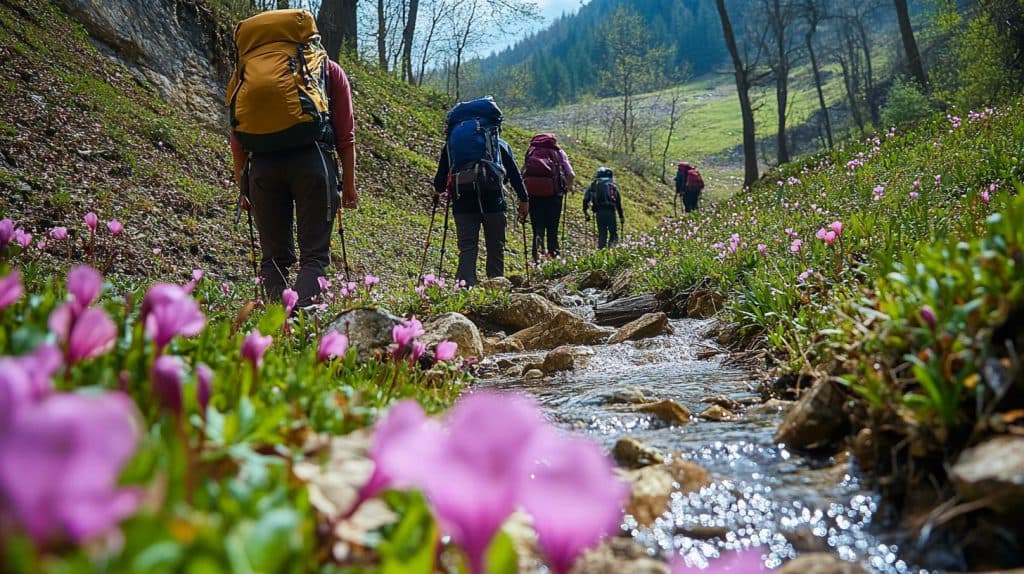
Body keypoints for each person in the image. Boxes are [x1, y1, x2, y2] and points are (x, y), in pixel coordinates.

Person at [228, 9, 357, 307]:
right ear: (309, 36)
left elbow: (237, 142)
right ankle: (300, 322)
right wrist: (348, 185)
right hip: (312, 161)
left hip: (261, 166)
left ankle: (276, 327)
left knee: (273, 258)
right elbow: (346, 136)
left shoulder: (244, 74)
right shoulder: (326, 70)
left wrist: (243, 187)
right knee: (314, 254)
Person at [432, 98, 529, 286]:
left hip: (463, 200)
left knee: (468, 246)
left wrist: (437, 192)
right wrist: (523, 199)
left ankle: (466, 287)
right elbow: (515, 175)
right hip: (493, 198)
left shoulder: (452, 144)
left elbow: (440, 179)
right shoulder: (499, 145)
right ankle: (496, 286)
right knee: (495, 245)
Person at [522, 133, 575, 261]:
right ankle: (553, 257)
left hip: (533, 195)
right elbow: (571, 174)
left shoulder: (531, 151)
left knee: (537, 228)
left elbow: (523, 171)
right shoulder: (559, 153)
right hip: (554, 196)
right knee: (552, 228)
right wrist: (568, 186)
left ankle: (537, 258)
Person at [583, 167, 623, 249]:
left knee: (602, 233)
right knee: (613, 233)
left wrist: (586, 212)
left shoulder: (593, 186)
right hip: (610, 212)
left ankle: (601, 252)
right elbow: (618, 203)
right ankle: (611, 250)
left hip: (599, 212)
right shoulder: (613, 187)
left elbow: (586, 199)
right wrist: (621, 216)